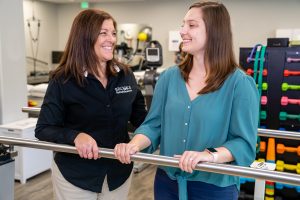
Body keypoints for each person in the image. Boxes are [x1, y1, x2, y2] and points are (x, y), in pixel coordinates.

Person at [114, 1, 259, 200]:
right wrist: (134, 145)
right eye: (183, 24)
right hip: (167, 183)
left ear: (215, 31)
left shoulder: (239, 84)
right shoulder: (169, 78)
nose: (182, 31)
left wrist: (208, 155)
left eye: (191, 25)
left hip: (214, 187)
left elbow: (244, 143)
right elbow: (154, 126)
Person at [35, 9, 147, 200]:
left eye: (113, 33)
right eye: (103, 33)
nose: (111, 39)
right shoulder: (63, 80)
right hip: (76, 175)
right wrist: (76, 136)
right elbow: (44, 128)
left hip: (117, 173)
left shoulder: (126, 76)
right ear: (85, 37)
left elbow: (141, 120)